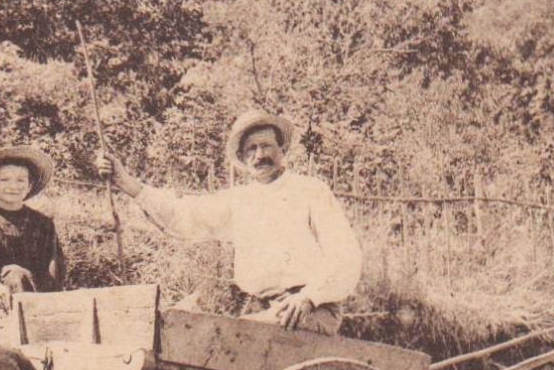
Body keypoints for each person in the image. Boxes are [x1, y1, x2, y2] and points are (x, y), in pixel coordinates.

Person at [96, 110, 361, 334]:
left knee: (232, 335)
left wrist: (309, 297)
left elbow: (345, 256)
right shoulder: (240, 200)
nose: (260, 155)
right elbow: (185, 215)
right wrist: (126, 182)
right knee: (183, 323)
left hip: (309, 310)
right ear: (243, 159)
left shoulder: (311, 191)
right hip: (260, 308)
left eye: (266, 146)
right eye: (251, 150)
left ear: (282, 148)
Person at [0, 145, 66, 312]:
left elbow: (54, 265)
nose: (13, 186)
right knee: (15, 273)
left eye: (20, 180)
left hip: (36, 296)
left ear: (29, 185)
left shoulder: (43, 222)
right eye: (4, 180)